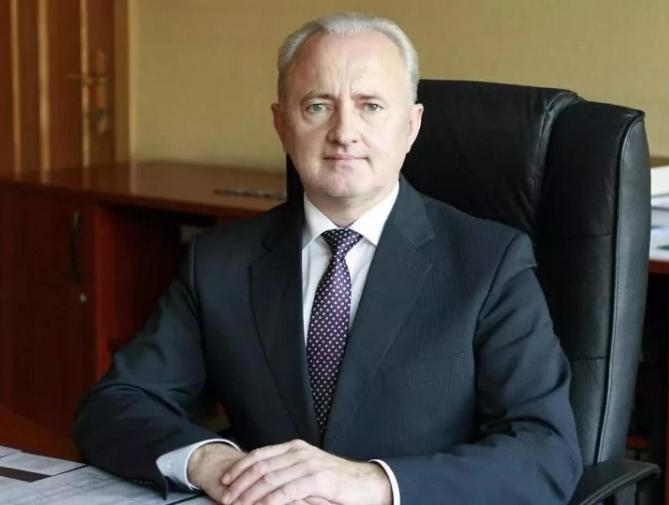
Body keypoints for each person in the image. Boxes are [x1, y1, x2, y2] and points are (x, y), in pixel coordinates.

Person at [74, 12, 581, 505]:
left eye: (371, 106)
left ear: (411, 126)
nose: (344, 132)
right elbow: (115, 405)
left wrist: (371, 485)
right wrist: (217, 465)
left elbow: (546, 453)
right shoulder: (219, 261)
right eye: (317, 106)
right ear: (281, 124)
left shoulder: (490, 263)